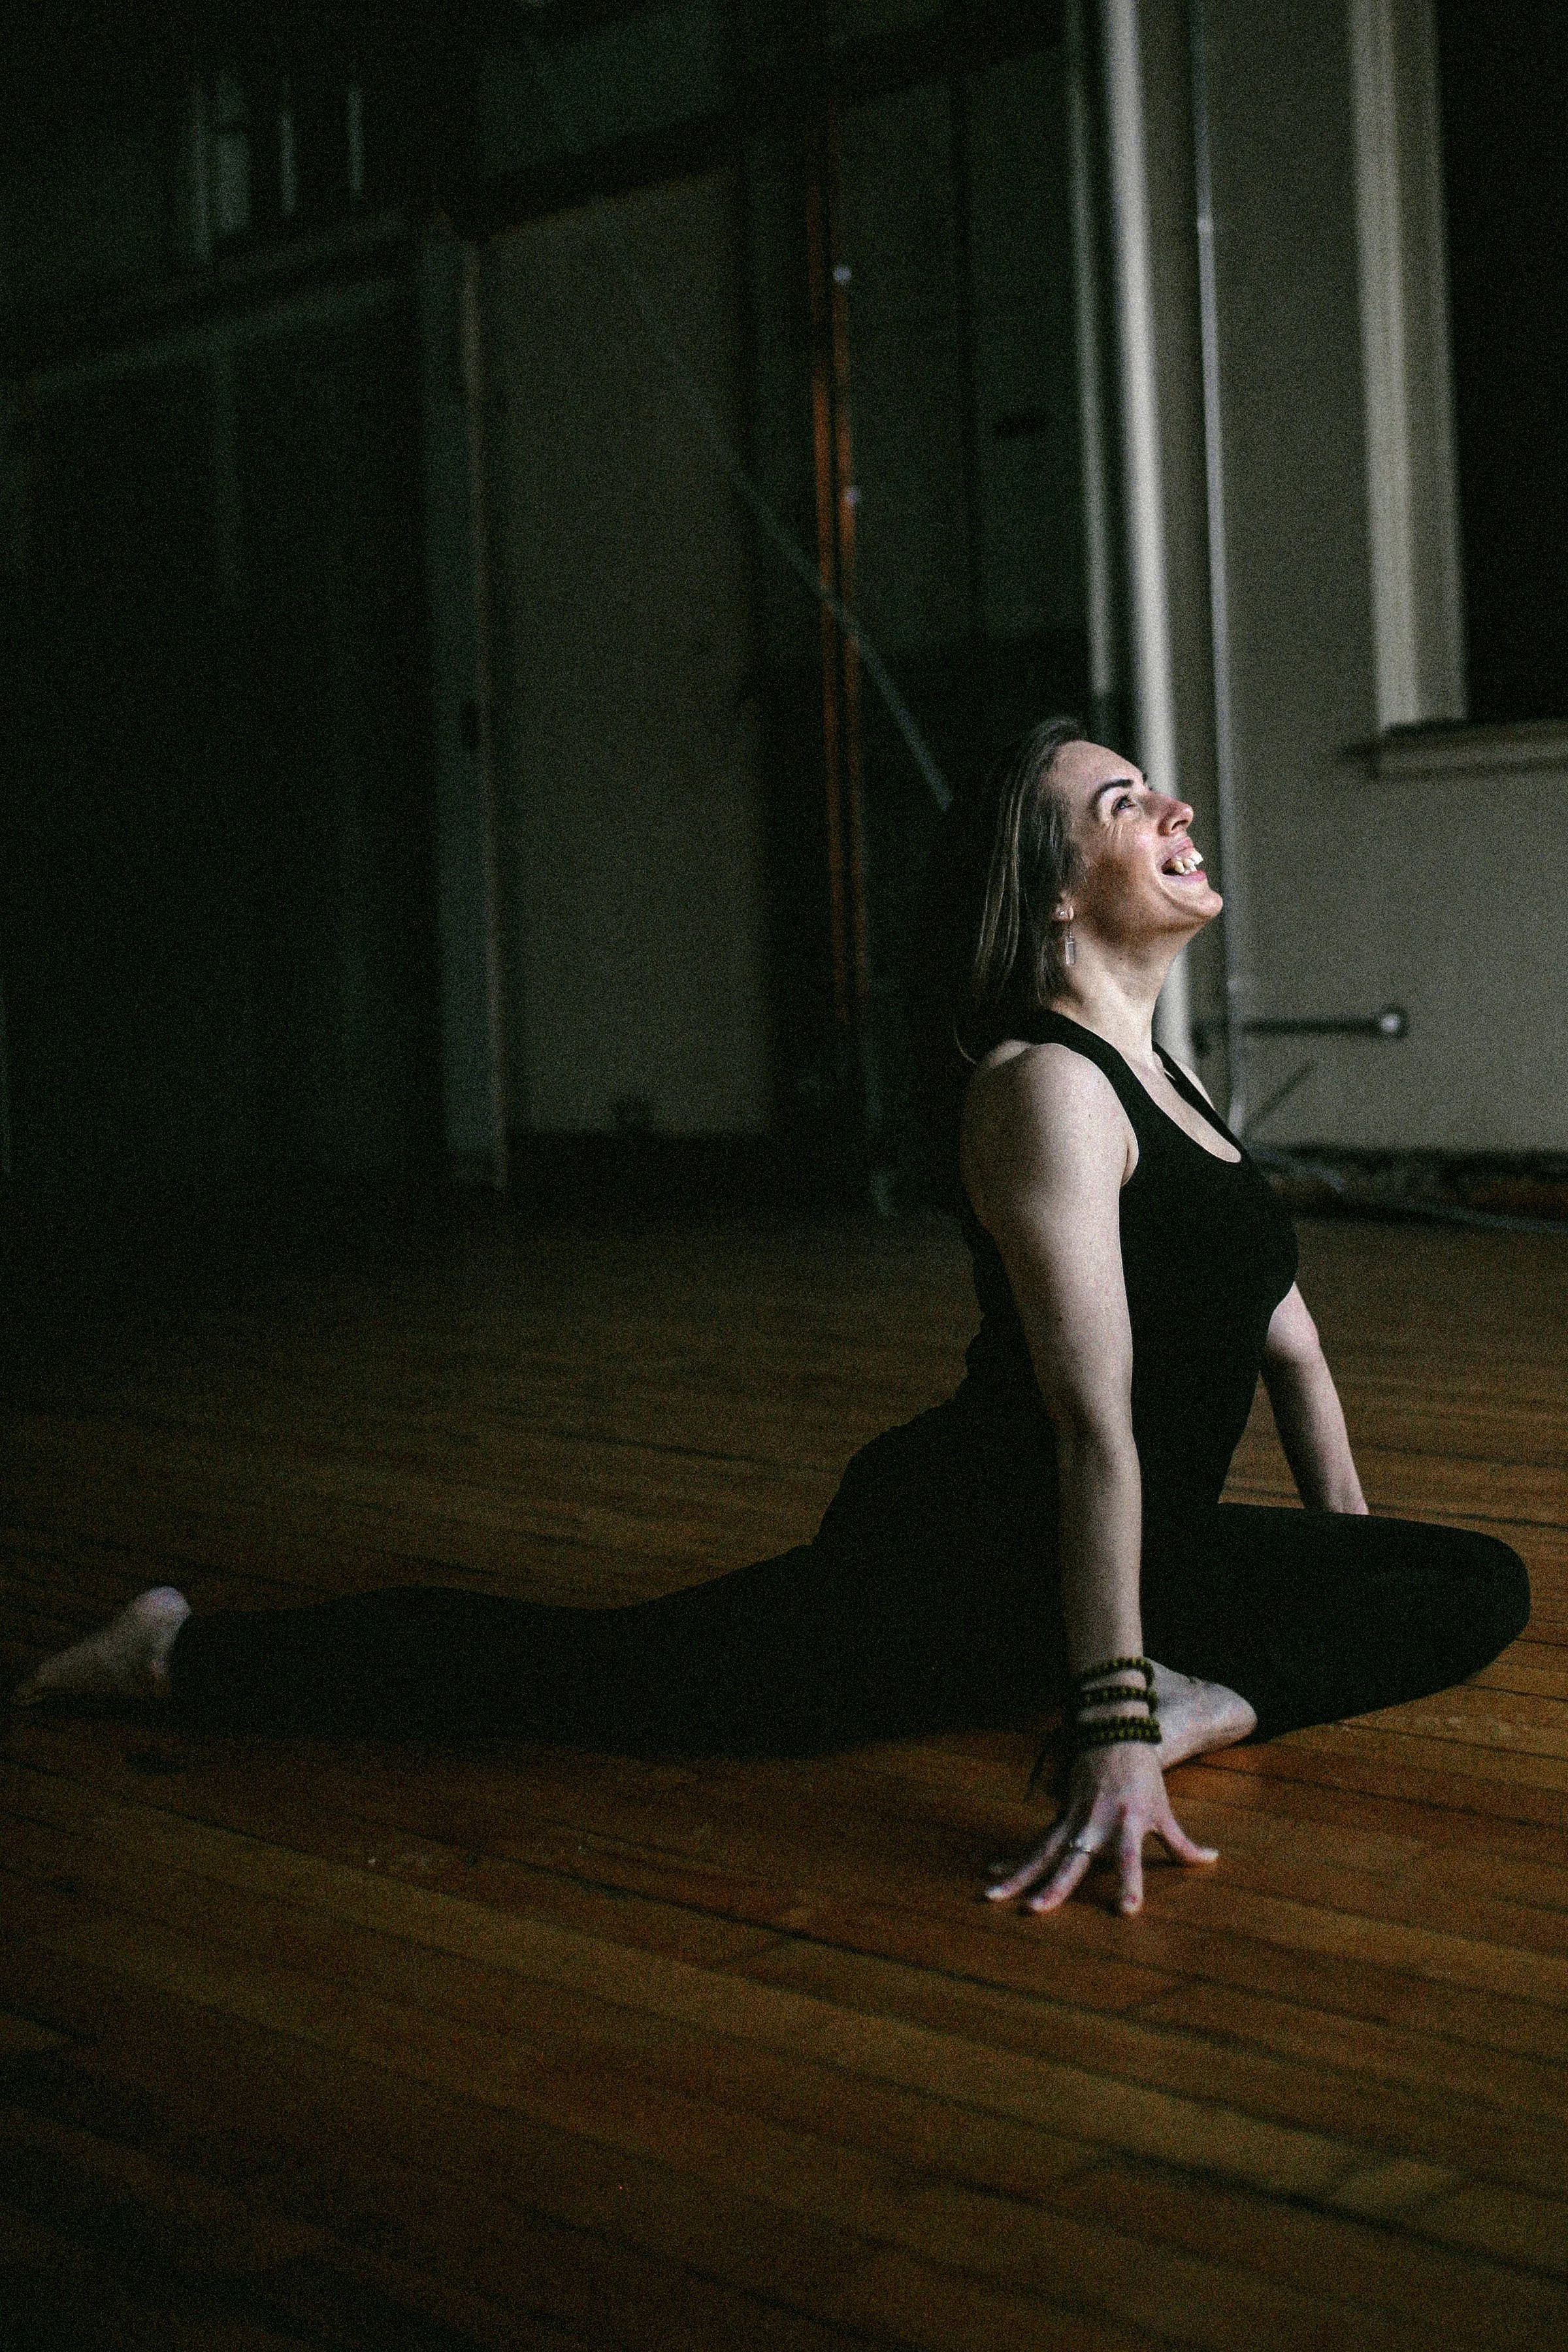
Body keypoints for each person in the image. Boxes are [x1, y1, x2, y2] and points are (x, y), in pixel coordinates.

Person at [14, 721, 1529, 1918]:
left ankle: (1198, 1703)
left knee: (1470, 1585)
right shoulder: (1048, 1093)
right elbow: (1089, 1425)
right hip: (956, 1558)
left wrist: (1347, 1562)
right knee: (593, 1682)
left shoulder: (1183, 1091)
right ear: (1053, 885)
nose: (1177, 811)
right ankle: (179, 1657)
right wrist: (1113, 1724)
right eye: (1126, 802)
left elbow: (1296, 1355)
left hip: (1139, 1545)